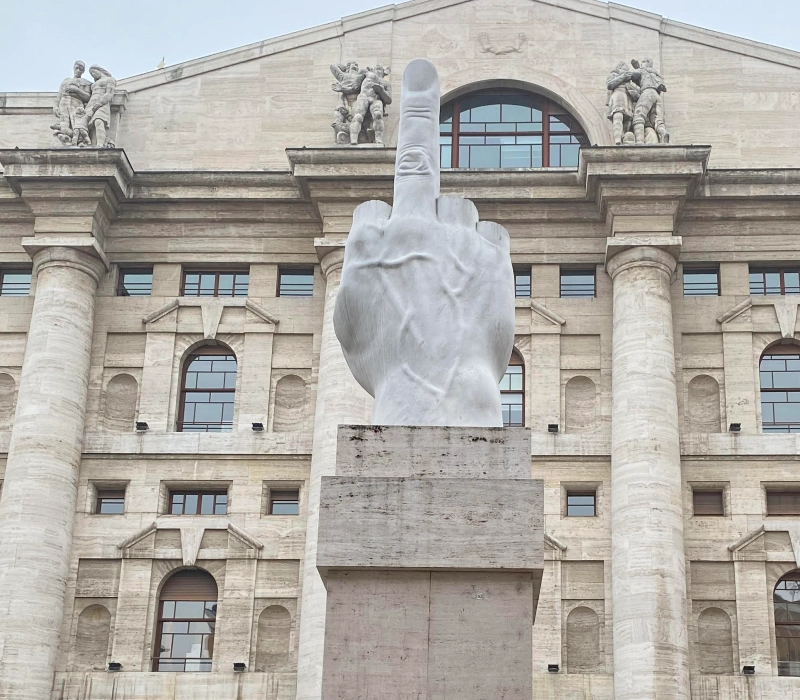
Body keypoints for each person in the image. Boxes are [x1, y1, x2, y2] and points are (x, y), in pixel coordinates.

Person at [629, 58, 670, 144]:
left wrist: (625, 74)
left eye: (643, 62)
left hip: (647, 92)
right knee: (655, 119)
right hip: (657, 95)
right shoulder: (656, 74)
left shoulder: (643, 71)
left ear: (648, 63)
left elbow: (632, 75)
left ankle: (639, 141)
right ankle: (663, 132)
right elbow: (661, 86)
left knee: (638, 116)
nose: (641, 63)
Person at [348, 66, 392, 146]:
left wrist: (381, 91)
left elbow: (389, 100)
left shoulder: (386, 83)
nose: (377, 71)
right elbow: (355, 86)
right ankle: (353, 139)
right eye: (376, 69)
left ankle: (378, 139)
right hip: (364, 96)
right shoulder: (367, 73)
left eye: (379, 69)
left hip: (376, 99)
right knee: (358, 116)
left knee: (378, 115)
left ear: (385, 72)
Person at [51, 60, 90, 145]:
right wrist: (55, 106)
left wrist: (77, 90)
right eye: (77, 67)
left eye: (81, 68)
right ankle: (66, 138)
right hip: (64, 102)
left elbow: (87, 97)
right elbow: (59, 95)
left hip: (77, 103)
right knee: (64, 122)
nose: (78, 70)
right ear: (73, 68)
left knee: (76, 124)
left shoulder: (86, 82)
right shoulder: (66, 81)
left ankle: (78, 140)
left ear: (83, 71)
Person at [606, 62, 640, 146]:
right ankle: (617, 139)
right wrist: (622, 77)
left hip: (627, 97)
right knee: (618, 115)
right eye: (624, 69)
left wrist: (634, 91)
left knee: (628, 120)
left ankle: (624, 138)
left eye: (627, 70)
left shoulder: (629, 80)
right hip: (618, 96)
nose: (626, 70)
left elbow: (637, 91)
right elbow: (610, 85)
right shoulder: (614, 74)